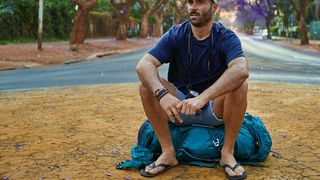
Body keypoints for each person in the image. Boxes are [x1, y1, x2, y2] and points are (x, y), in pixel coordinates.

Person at [135, 0, 249, 179]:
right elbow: (144, 65)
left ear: (214, 7)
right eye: (190, 2)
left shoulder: (226, 36)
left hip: (214, 108)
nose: (193, 7)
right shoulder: (176, 34)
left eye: (200, 2)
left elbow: (241, 69)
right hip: (179, 108)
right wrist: (163, 95)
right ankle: (168, 152)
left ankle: (227, 153)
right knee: (146, 86)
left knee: (240, 86)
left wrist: (203, 97)